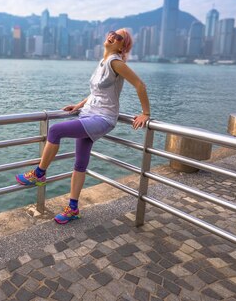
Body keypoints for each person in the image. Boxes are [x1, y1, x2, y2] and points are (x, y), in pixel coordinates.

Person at [15, 28, 151, 224]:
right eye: (112, 33)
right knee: (80, 163)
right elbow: (96, 93)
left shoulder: (116, 62)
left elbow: (140, 85)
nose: (112, 36)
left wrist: (146, 113)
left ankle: (39, 173)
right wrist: (78, 106)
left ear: (122, 46)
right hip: (88, 114)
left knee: (55, 130)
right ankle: (73, 208)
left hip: (102, 118)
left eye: (119, 37)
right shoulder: (103, 62)